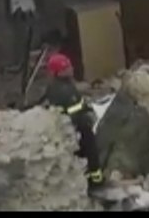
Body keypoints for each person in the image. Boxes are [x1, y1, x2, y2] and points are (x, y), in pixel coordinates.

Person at [42, 53, 105, 189]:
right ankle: (96, 182)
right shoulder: (63, 90)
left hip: (75, 128)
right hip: (77, 129)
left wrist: (86, 108)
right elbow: (72, 111)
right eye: (66, 67)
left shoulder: (62, 85)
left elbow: (78, 104)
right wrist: (86, 117)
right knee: (90, 154)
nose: (71, 69)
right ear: (59, 72)